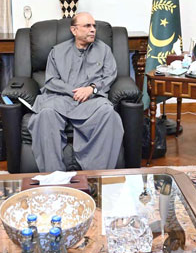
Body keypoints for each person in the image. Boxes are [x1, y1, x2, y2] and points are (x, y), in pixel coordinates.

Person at [27, 12, 124, 172]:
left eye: (94, 26)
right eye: (87, 26)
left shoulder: (104, 50)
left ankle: (95, 175)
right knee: (44, 115)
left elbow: (110, 75)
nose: (93, 29)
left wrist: (91, 89)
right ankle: (54, 177)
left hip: (91, 100)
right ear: (74, 30)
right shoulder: (57, 52)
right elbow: (51, 80)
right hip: (61, 99)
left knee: (109, 114)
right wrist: (72, 91)